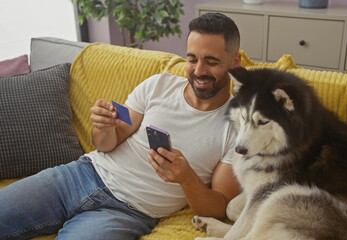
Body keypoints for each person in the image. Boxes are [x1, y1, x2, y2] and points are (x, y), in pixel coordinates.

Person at [0, 13, 241, 239]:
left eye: (211, 62)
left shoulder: (237, 128)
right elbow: (107, 143)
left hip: (127, 213)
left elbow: (219, 207)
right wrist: (104, 127)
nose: (199, 71)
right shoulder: (158, 85)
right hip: (79, 175)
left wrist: (187, 178)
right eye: (192, 59)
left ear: (235, 61)